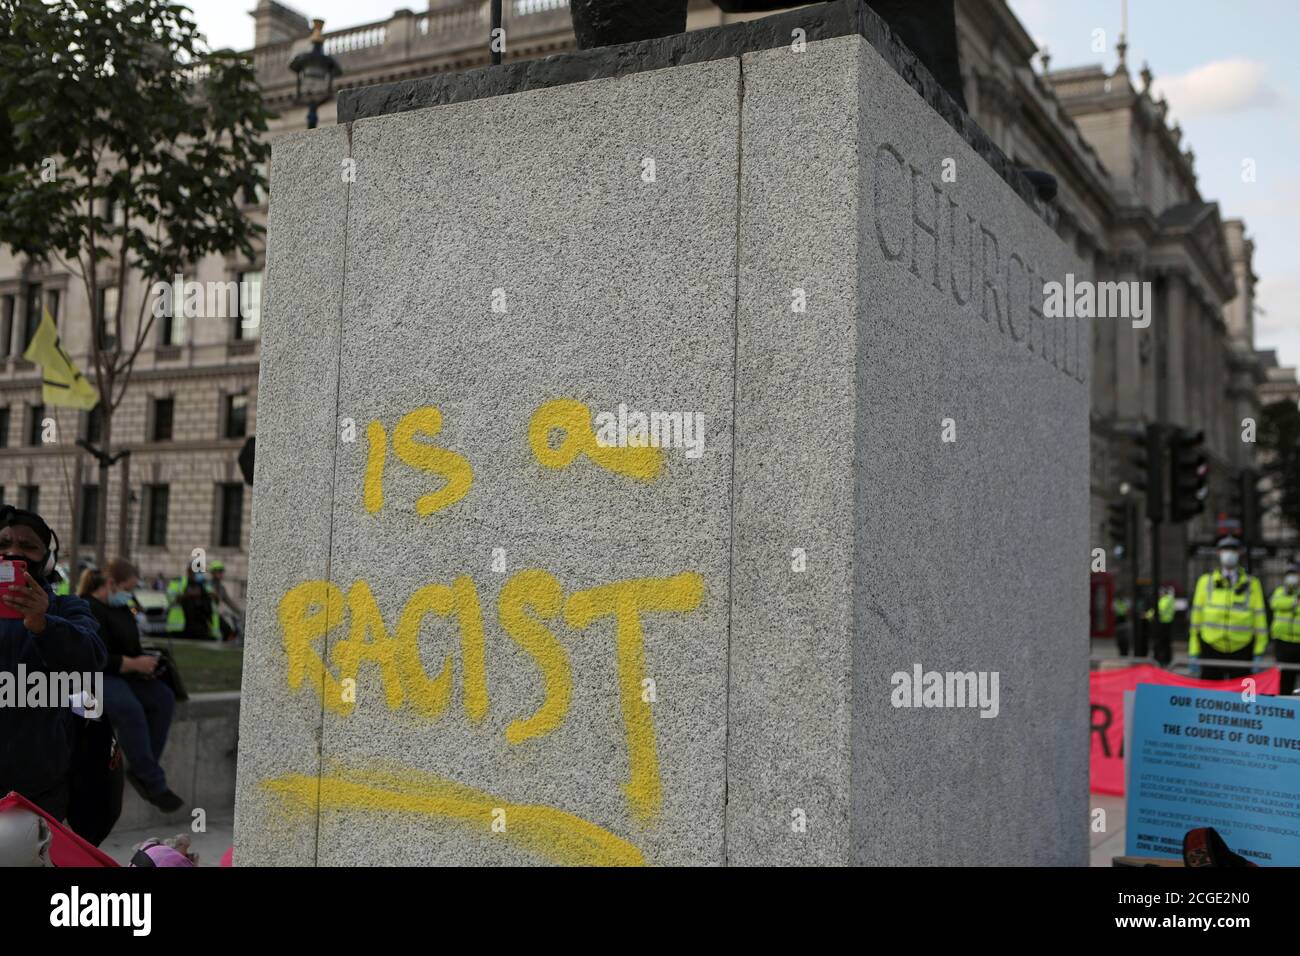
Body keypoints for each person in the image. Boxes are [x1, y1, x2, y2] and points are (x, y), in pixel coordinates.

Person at [0, 505, 105, 821]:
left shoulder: (68, 608)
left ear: (47, 559)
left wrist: (45, 623)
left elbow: (92, 658)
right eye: (3, 544)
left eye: (27, 546)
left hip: (38, 787)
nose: (12, 553)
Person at [79, 560, 182, 812]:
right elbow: (95, 655)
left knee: (163, 698)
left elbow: (130, 646)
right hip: (95, 675)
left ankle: (142, 769)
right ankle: (153, 782)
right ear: (111, 583)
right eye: (129, 587)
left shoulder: (123, 608)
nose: (131, 593)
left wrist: (147, 664)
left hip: (125, 673)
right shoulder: (87, 607)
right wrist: (134, 664)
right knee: (129, 708)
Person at [1190, 537, 1268, 681]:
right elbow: (1196, 619)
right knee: (1209, 697)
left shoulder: (1252, 584)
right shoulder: (1205, 582)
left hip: (1242, 649)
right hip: (1210, 646)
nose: (1229, 554)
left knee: (1240, 700)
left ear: (1239, 553)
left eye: (1233, 550)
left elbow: (1260, 619)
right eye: (1225, 550)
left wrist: (1259, 651)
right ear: (1219, 553)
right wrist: (1194, 650)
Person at [1269, 560, 1300, 697]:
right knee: (1284, 682)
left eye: (1295, 573)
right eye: (1289, 573)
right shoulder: (1280, 591)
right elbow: (1275, 603)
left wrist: (1288, 604)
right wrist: (1294, 602)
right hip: (1283, 643)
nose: (1292, 576)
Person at [165, 567, 219, 640]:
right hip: (180, 628)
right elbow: (171, 600)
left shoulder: (204, 584)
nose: (199, 574)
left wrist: (212, 595)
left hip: (202, 628)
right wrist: (187, 595)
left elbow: (215, 600)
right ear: (189, 571)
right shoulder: (179, 582)